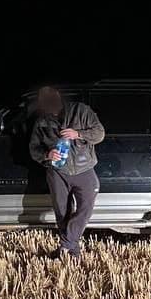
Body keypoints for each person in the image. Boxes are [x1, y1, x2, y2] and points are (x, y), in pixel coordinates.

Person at [28, 86, 106, 259]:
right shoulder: (41, 121)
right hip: (57, 171)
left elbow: (100, 133)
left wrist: (78, 133)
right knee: (62, 212)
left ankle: (65, 245)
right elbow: (34, 149)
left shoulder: (81, 111)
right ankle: (73, 252)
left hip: (84, 169)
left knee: (86, 207)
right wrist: (47, 155)